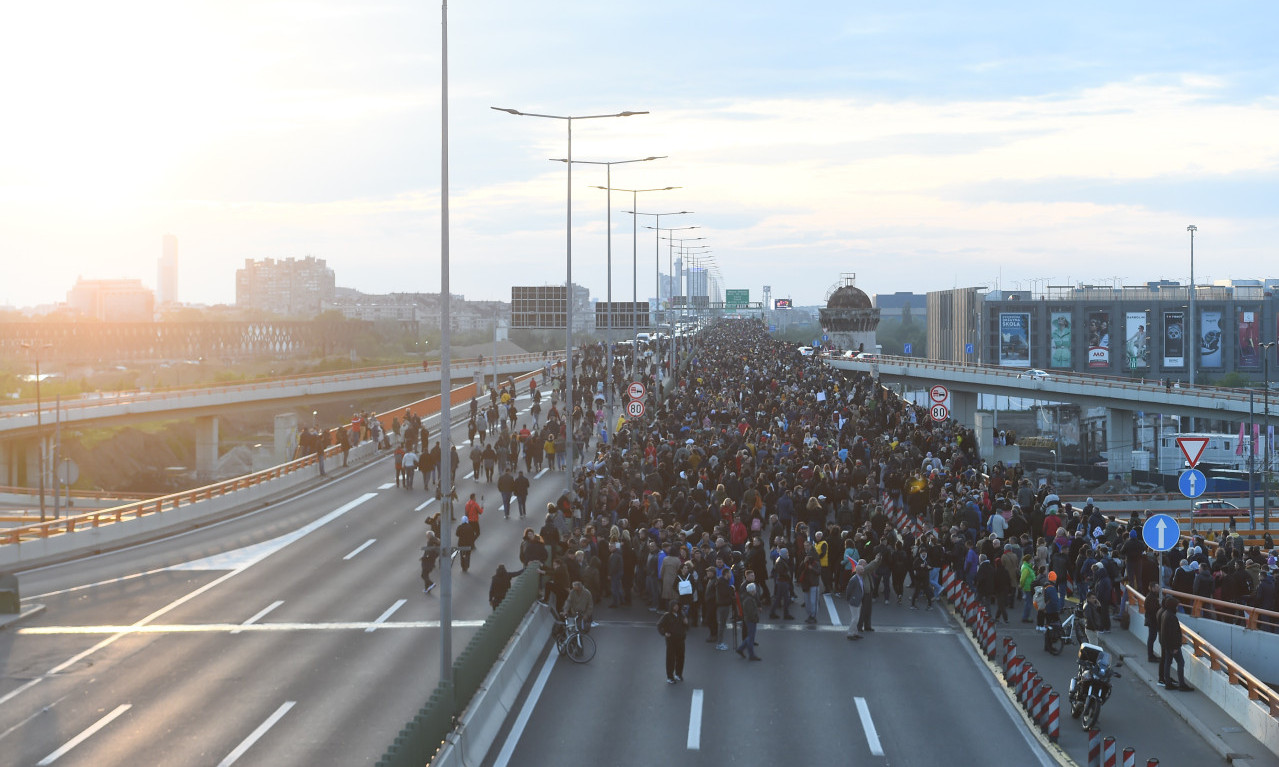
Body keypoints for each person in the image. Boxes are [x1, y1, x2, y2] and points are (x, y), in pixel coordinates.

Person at [1158, 594, 1193, 692]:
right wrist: (1176, 647)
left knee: (1167, 663)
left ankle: (1168, 683)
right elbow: (1173, 634)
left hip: (1167, 645)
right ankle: (1181, 684)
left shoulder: (1165, 614)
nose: (1177, 607)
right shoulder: (1171, 617)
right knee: (1180, 662)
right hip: (1173, 646)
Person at [657, 598, 689, 683]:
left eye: (677, 606)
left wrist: (686, 623)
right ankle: (670, 677)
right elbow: (659, 625)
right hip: (671, 640)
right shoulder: (667, 616)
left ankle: (678, 674)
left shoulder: (681, 615)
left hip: (681, 639)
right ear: (671, 607)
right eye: (675, 606)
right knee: (671, 658)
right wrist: (664, 633)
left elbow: (686, 627)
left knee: (680, 657)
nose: (676, 607)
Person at [736, 582, 761, 661]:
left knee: (750, 637)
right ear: (751, 591)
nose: (755, 591)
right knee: (751, 637)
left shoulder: (748, 598)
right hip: (751, 620)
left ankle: (740, 649)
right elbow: (751, 612)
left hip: (749, 620)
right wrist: (755, 619)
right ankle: (751, 655)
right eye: (754, 590)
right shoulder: (749, 600)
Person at [844, 560, 865, 640]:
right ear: (858, 571)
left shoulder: (860, 578)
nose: (863, 571)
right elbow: (848, 590)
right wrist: (849, 598)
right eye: (861, 570)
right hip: (854, 601)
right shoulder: (854, 579)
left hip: (858, 600)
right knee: (855, 618)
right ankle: (850, 633)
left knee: (856, 617)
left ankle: (855, 632)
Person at [1144, 582, 1162, 662]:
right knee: (1152, 638)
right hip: (1152, 621)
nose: (1158, 589)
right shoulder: (1152, 598)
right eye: (1157, 587)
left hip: (1152, 621)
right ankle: (1150, 656)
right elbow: (1153, 610)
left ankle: (1151, 655)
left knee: (1152, 638)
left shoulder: (1151, 597)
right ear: (1152, 588)